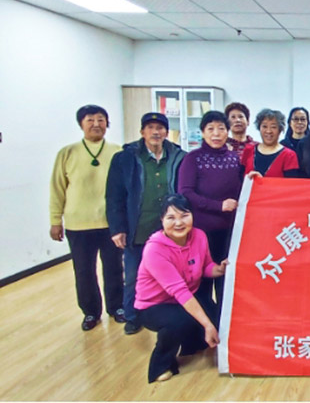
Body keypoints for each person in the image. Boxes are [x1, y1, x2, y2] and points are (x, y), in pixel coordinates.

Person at [107, 112, 187, 335]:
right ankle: (133, 316)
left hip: (170, 230)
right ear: (142, 132)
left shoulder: (179, 156)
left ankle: (169, 315)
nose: (155, 132)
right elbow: (114, 196)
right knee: (134, 275)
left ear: (167, 132)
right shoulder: (125, 158)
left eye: (160, 128)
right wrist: (117, 229)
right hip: (138, 227)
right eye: (150, 127)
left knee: (172, 274)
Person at [135, 194, 227, 383]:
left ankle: (191, 345)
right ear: (162, 220)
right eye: (171, 218)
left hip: (185, 297)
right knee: (180, 321)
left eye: (184, 216)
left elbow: (206, 266)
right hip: (154, 305)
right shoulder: (154, 249)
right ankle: (160, 365)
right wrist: (207, 325)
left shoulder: (199, 236)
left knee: (218, 318)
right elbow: (180, 292)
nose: (178, 223)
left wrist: (220, 269)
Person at [50, 105, 124, 331]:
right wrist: (55, 220)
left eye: (101, 119)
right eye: (90, 120)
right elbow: (57, 188)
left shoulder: (118, 151)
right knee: (83, 271)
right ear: (81, 124)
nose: (96, 124)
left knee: (114, 268)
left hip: (111, 223)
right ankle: (91, 312)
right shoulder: (67, 153)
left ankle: (117, 307)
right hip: (78, 224)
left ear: (107, 123)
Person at [178, 111, 243, 310]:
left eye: (221, 128)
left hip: (230, 231)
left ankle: (222, 322)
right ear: (203, 132)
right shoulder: (193, 158)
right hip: (201, 232)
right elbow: (185, 192)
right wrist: (218, 205)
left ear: (227, 132)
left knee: (226, 279)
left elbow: (241, 189)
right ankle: (202, 323)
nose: (216, 133)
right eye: (211, 129)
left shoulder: (234, 158)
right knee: (202, 279)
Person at [242, 109, 300, 178]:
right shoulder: (249, 150)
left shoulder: (289, 155)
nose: (268, 131)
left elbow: (291, 183)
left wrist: (263, 181)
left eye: (273, 127)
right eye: (264, 126)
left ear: (280, 130)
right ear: (259, 128)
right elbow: (241, 178)